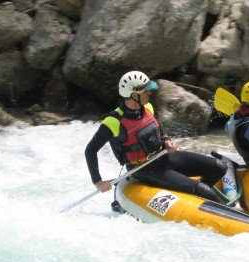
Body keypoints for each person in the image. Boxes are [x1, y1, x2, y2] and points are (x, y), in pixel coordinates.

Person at [85, 71, 227, 202]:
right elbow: (90, 150)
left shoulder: (148, 108)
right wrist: (98, 181)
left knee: (219, 167)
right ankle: (203, 196)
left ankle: (194, 198)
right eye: (146, 90)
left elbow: (160, 133)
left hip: (165, 157)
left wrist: (167, 141)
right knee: (203, 190)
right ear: (134, 95)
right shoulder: (113, 123)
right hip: (145, 169)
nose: (150, 92)